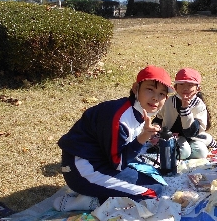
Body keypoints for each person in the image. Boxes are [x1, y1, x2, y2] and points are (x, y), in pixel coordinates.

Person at [58, 65, 174, 202]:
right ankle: (86, 202)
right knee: (152, 191)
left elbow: (125, 146)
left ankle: (99, 194)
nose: (155, 98)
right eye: (150, 89)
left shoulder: (138, 110)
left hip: (103, 162)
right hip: (81, 170)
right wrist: (143, 137)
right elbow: (118, 163)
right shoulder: (120, 117)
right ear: (136, 88)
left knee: (155, 178)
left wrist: (147, 139)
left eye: (162, 94)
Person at [153, 68, 216, 160]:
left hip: (193, 137)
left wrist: (185, 110)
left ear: (198, 89)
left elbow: (191, 132)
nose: (185, 88)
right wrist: (156, 128)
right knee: (184, 151)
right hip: (172, 135)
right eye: (181, 84)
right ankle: (167, 151)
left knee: (202, 152)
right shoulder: (170, 102)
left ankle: (181, 154)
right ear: (175, 87)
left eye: (190, 85)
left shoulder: (199, 105)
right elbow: (159, 118)